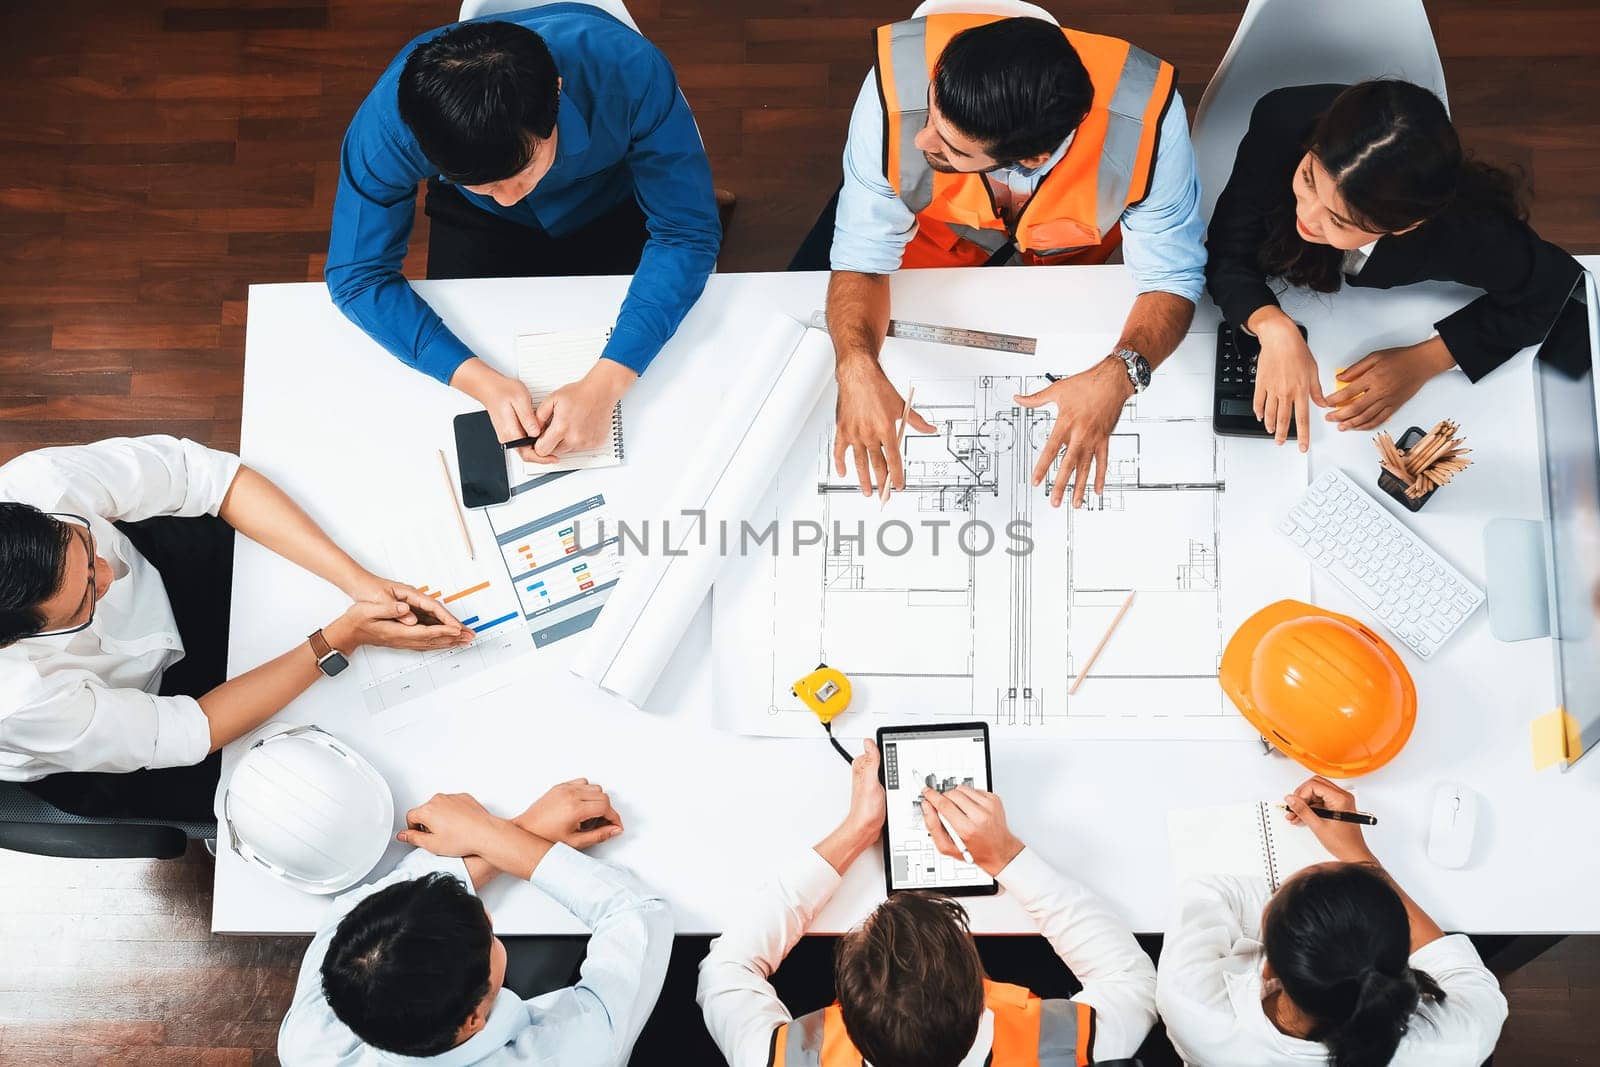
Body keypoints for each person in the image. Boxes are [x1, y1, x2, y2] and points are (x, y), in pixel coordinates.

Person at [800, 14, 1206, 508]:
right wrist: (856, 364)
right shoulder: (893, 88)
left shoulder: (1147, 124)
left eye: (950, 147)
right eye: (929, 117)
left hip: (1064, 261)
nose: (921, 141)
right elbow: (861, 258)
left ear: (1033, 157)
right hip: (929, 250)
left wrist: (1120, 374)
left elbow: (1173, 276)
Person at [0, 436, 471, 820]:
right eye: (85, 598)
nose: (108, 576)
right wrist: (338, 639)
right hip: (137, 725)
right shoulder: (19, 699)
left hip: (164, 571)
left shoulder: (39, 484)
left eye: (85, 543)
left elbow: (211, 478)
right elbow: (186, 732)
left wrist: (359, 583)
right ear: (20, 638)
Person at [328, 9, 720, 465]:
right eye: (486, 183)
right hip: (474, 223)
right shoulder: (389, 126)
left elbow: (685, 233)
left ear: (556, 92)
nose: (508, 198)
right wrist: (478, 380)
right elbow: (358, 276)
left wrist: (606, 382)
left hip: (612, 198)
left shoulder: (630, 72)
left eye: (521, 170)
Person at [697, 740, 1157, 1066]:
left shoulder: (784, 1060)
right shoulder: (1068, 1045)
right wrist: (1007, 857)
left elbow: (725, 971)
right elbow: (1131, 980)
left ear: (842, 1014)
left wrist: (853, 833)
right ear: (983, 995)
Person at [1206, 79, 1584, 448]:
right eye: (1308, 178)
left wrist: (1428, 359)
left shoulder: (1463, 230)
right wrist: (1271, 324)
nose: (1306, 215)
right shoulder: (1283, 120)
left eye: (1338, 221)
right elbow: (1227, 250)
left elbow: (1557, 286)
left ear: (1404, 227)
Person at [278, 780, 670, 1065]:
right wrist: (488, 833)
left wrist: (522, 830)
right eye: (488, 935)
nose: (485, 914)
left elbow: (364, 905)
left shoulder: (310, 1043)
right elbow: (637, 914)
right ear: (472, 1020)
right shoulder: (569, 1054)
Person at [1156, 775, 1508, 1066]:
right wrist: (1359, 857)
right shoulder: (1459, 1041)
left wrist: (1314, 905)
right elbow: (1460, 970)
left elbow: (1205, 893)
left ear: (1268, 970)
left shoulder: (1192, 1006)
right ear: (1403, 951)